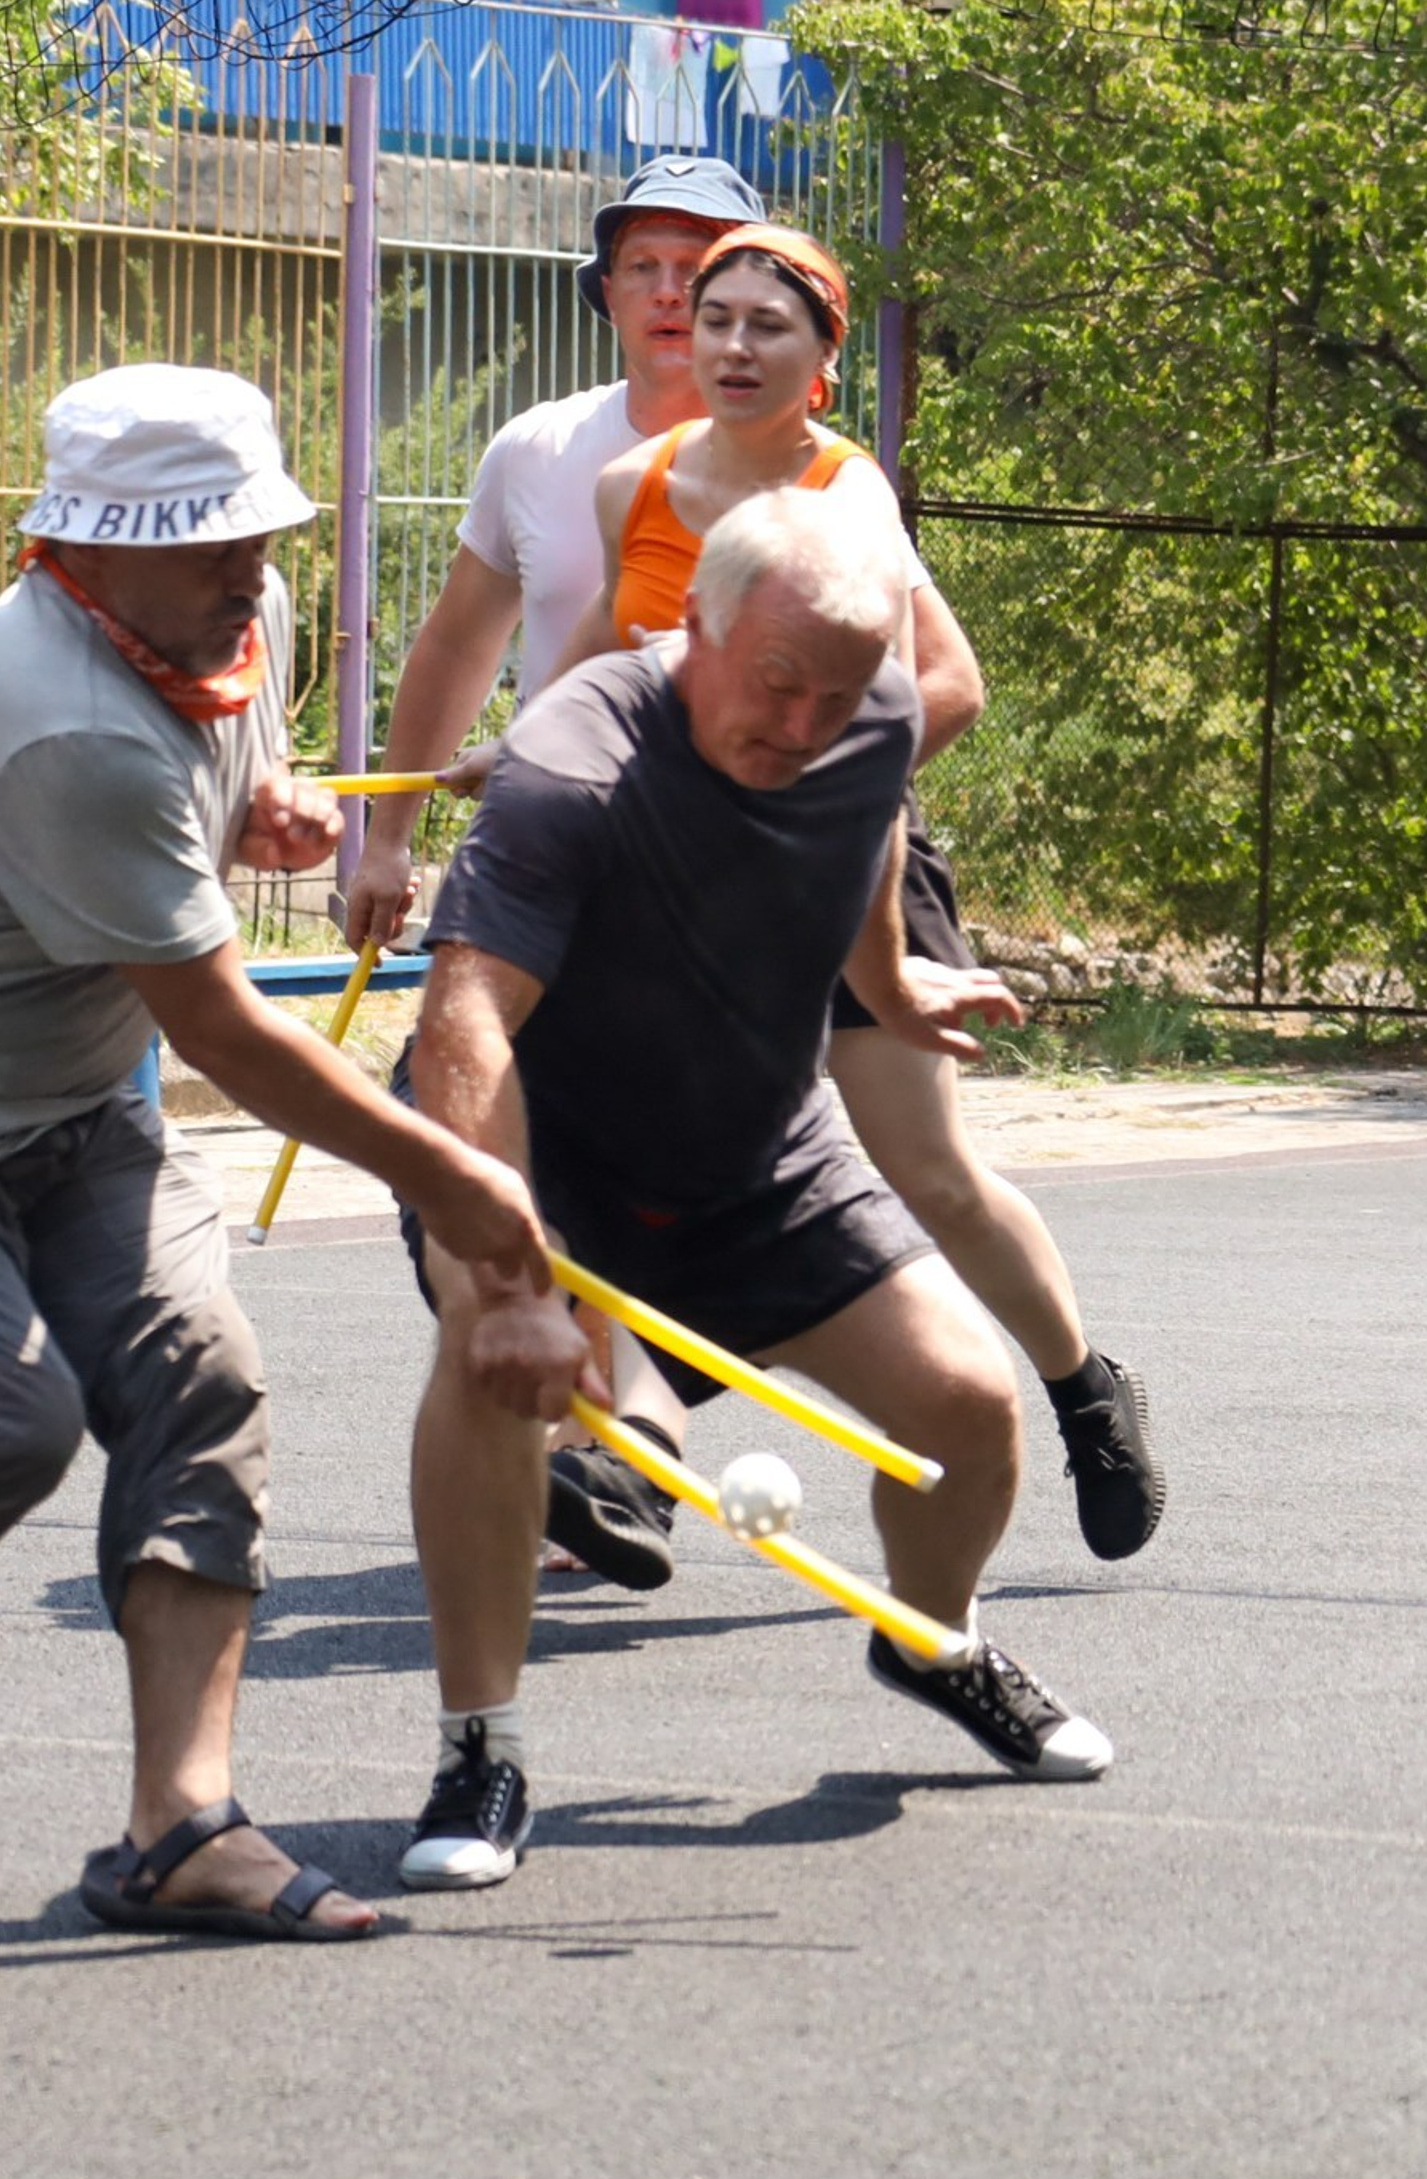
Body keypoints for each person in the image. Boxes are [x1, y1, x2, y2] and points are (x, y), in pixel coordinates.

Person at [399, 492, 1111, 1892]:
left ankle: (931, 1641)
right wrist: (506, 1270)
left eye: (836, 695)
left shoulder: (872, 714)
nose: (803, 727)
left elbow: (867, 838)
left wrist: (892, 982)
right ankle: (478, 1747)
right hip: (558, 1161)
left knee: (970, 1409)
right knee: (492, 1380)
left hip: (762, 1159)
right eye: (779, 686)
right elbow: (462, 1026)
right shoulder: (574, 765)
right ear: (697, 625)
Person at [0, 367, 556, 1941]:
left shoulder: (235, 618)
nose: (246, 569)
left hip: (86, 1109)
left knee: (202, 1373)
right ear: (78, 558)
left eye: (256, 532)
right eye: (204, 544)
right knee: (16, 1416)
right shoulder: (60, 727)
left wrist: (267, 810)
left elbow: (231, 759)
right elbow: (235, 1039)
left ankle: (181, 1830)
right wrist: (455, 1175)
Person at [548, 223, 1164, 1582]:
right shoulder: (628, 487)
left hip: (844, 863)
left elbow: (946, 684)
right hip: (684, 892)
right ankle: (627, 1455)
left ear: (824, 363)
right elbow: (608, 651)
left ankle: (1081, 1391)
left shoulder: (844, 497)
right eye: (715, 320)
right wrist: (535, 758)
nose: (733, 346)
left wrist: (796, 787)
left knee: (925, 1172)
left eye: (771, 326)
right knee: (664, 1177)